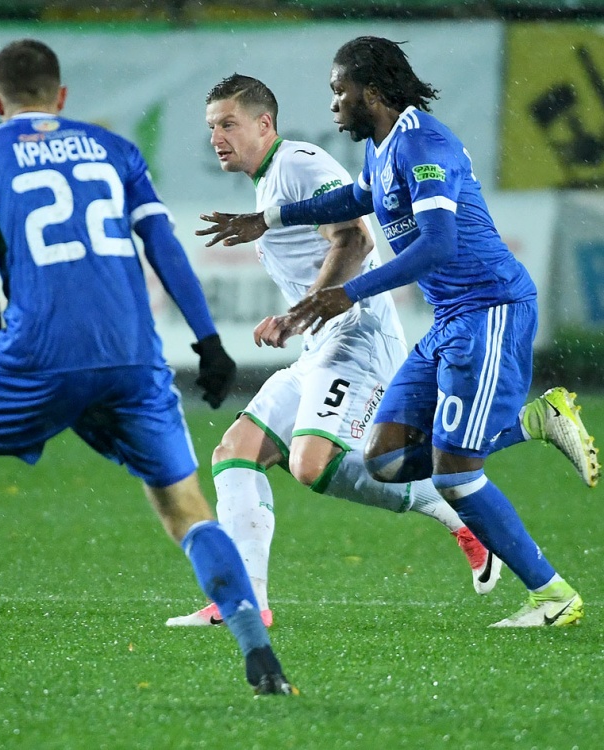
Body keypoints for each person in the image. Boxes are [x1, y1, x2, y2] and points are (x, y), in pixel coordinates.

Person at [0, 39, 296, 696]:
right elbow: (162, 244)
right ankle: (262, 659)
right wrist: (208, 342)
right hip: (132, 357)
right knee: (185, 507)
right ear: (62, 96)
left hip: (39, 352)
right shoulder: (114, 149)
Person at [198, 36, 599, 628]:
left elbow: (438, 245)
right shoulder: (382, 148)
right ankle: (529, 425)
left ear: (371, 92)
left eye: (340, 91)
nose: (333, 104)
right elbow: (355, 198)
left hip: (489, 308)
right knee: (386, 461)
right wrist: (269, 218)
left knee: (454, 471)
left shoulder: (423, 145)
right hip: (449, 320)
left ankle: (553, 595)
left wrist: (343, 293)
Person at [168, 73, 501, 628]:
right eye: (211, 128)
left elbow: (355, 236)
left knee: (309, 464)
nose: (216, 138)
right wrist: (304, 319)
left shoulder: (298, 165)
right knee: (235, 454)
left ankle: (453, 508)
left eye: (228, 124)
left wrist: (300, 312)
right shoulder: (270, 181)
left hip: (357, 336)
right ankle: (245, 602)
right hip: (321, 344)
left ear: (264, 124)